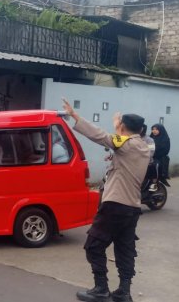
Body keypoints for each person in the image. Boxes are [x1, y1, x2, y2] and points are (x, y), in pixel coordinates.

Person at [63, 99, 150, 302]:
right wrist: (118, 127)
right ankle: (124, 292)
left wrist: (75, 116)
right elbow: (120, 140)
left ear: (123, 127)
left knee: (93, 245)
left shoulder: (126, 145)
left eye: (120, 126)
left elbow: (101, 137)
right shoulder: (143, 146)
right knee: (124, 248)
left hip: (115, 206)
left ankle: (101, 289)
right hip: (132, 208)